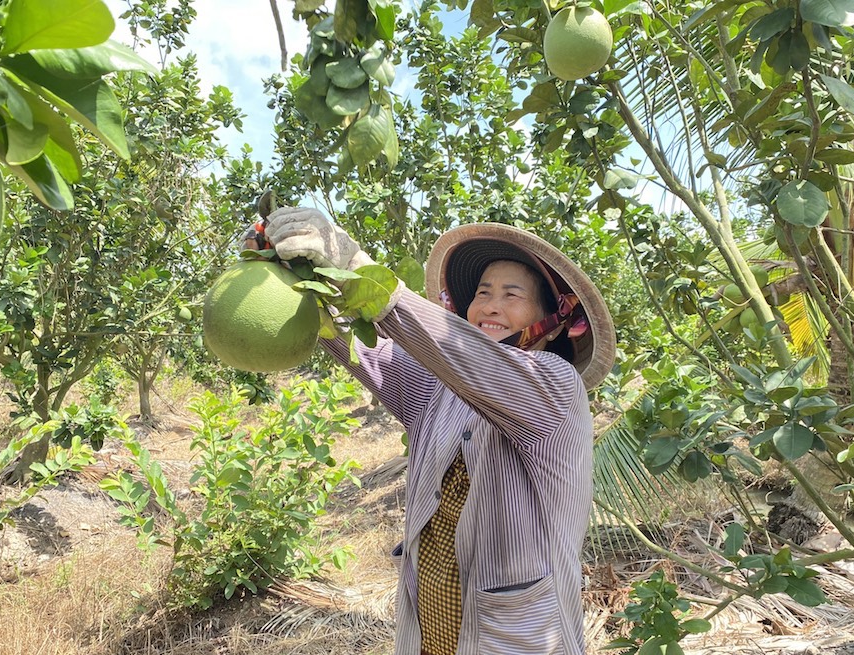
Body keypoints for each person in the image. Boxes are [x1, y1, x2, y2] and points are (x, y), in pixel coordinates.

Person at [264, 207, 616, 655]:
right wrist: (304, 277)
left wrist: (359, 271)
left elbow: (474, 364)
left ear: (555, 323)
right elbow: (366, 346)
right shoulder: (439, 389)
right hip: (434, 624)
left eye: (513, 296)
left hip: (514, 637)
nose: (490, 305)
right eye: (483, 292)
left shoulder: (553, 385)